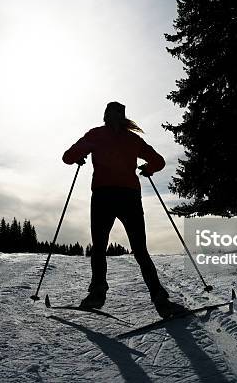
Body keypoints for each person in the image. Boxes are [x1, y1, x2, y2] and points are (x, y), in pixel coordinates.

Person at [62, 101, 180, 318]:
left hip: (103, 196)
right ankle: (159, 297)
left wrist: (79, 157)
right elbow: (159, 161)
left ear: (106, 116)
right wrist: (148, 168)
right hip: (129, 197)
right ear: (123, 117)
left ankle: (98, 291)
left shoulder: (95, 135)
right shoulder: (133, 139)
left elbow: (67, 157)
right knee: (140, 249)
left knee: (99, 246)